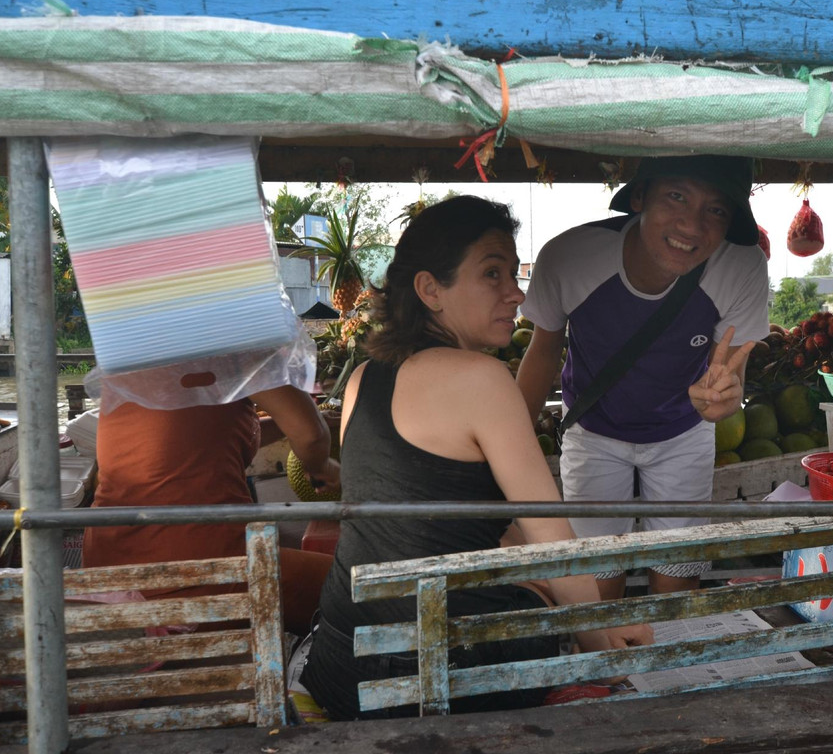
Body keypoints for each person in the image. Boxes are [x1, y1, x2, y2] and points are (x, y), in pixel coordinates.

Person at [298, 195, 652, 720]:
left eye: (513, 272)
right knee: (540, 596)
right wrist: (602, 653)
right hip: (436, 676)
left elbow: (446, 519)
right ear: (430, 290)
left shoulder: (362, 378)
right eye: (492, 273)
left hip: (342, 664)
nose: (516, 293)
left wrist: (597, 623)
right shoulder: (482, 379)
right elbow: (549, 538)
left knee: (537, 589)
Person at [516, 155, 769, 600]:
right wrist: (505, 450)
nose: (691, 226)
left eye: (716, 210)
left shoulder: (742, 266)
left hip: (683, 434)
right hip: (592, 433)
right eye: (676, 196)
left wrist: (726, 400)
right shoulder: (569, 256)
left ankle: (664, 664)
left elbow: (730, 371)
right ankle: (604, 668)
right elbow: (542, 352)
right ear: (639, 197)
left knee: (676, 575)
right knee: (596, 581)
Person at [82, 384, 341, 636]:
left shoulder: (141, 361)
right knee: (356, 591)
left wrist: (293, 429)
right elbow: (311, 436)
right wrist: (321, 467)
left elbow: (208, 433)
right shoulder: (236, 353)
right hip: (197, 569)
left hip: (107, 565)